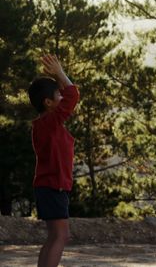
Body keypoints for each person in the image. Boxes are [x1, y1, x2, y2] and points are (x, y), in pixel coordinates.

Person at [28, 55, 80, 267]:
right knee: (61, 236)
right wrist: (60, 73)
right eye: (57, 94)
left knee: (53, 237)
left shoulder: (46, 124)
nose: (62, 96)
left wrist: (59, 78)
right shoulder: (49, 122)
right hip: (53, 187)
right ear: (48, 103)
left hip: (49, 187)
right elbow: (73, 95)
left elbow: (68, 96)